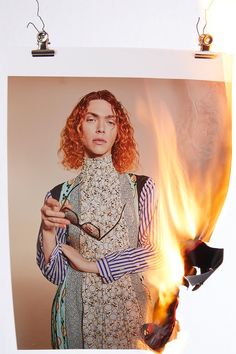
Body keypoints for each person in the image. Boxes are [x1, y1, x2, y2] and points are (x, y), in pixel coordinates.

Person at [36, 90, 158, 349]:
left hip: (130, 311)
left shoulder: (142, 188)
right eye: (92, 119)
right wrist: (48, 231)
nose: (101, 128)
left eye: (110, 122)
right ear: (77, 129)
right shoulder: (59, 195)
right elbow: (56, 274)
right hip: (74, 315)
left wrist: (92, 266)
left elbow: (153, 254)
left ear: (118, 132)